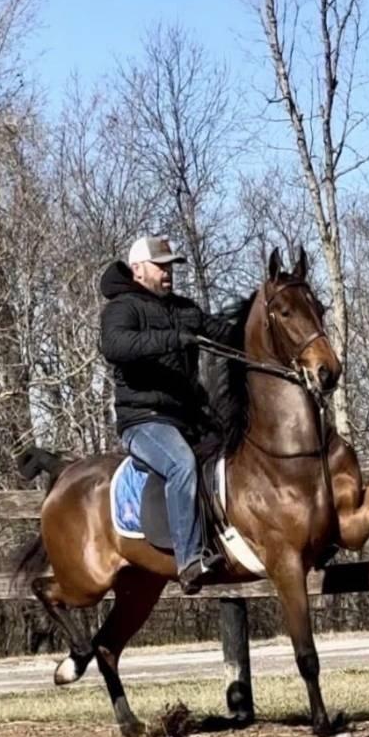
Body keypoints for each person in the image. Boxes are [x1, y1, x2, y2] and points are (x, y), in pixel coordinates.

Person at [99, 235, 235, 594]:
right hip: (143, 420)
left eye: (171, 266)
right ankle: (189, 561)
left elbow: (220, 331)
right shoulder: (122, 308)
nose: (168, 272)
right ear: (138, 269)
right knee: (180, 465)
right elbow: (115, 346)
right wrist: (173, 338)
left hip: (186, 419)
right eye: (161, 266)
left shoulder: (184, 308)